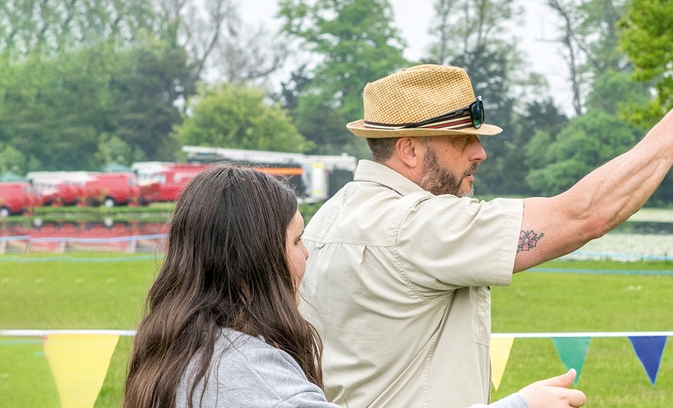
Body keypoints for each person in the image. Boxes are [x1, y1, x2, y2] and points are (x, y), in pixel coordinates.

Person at [300, 48, 673, 408]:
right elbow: (585, 215)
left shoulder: (331, 215)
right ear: (409, 149)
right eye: (461, 140)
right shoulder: (415, 226)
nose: (479, 153)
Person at [123, 163, 586, 408]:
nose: (307, 254)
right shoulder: (251, 371)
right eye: (296, 240)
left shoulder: (184, 346)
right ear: (255, 257)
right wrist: (522, 405)